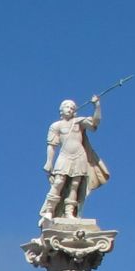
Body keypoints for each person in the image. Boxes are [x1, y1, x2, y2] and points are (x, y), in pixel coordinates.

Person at [39, 95, 107, 224]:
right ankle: (49, 211)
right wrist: (49, 162)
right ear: (61, 110)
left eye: (72, 108)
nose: (69, 109)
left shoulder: (79, 122)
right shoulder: (56, 126)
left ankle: (69, 212)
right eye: (67, 107)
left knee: (75, 185)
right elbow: (51, 146)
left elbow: (95, 122)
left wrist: (97, 105)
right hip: (64, 156)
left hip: (79, 156)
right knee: (58, 182)